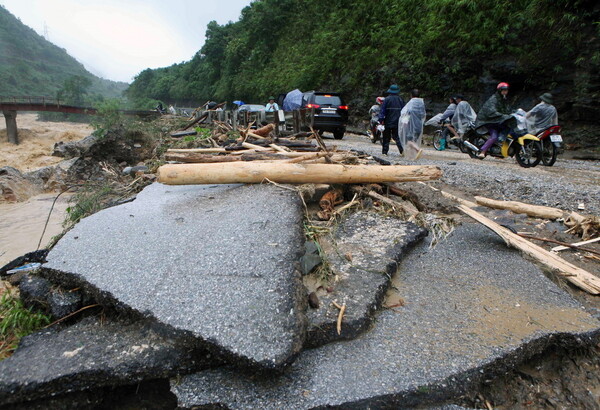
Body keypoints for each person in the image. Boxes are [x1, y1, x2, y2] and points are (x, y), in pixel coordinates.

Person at [475, 82, 513, 158]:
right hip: (489, 121)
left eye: (506, 90)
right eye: (503, 90)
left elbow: (507, 109)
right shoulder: (493, 99)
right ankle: (483, 151)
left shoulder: (504, 99)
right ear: (500, 90)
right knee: (494, 136)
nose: (505, 92)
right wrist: (503, 115)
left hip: (498, 121)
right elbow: (491, 111)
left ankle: (501, 149)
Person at [398, 89, 426, 160]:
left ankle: (418, 149)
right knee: (413, 140)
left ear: (411, 95)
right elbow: (423, 114)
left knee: (408, 140)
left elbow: (407, 112)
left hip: (411, 124)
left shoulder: (412, 102)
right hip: (419, 124)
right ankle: (411, 157)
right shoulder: (421, 103)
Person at [378, 84, 405, 156]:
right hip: (398, 122)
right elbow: (404, 111)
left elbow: (383, 111)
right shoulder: (400, 99)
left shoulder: (387, 99)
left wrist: (380, 120)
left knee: (386, 137)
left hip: (388, 121)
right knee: (397, 137)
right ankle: (402, 151)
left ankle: (384, 152)